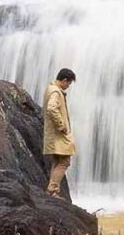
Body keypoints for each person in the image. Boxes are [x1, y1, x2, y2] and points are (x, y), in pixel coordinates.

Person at [43, 68, 76, 197]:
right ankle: (53, 189)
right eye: (68, 83)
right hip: (58, 135)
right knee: (64, 161)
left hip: (52, 135)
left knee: (57, 161)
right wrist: (61, 126)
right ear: (64, 80)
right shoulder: (56, 92)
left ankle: (52, 190)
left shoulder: (50, 89)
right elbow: (52, 109)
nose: (68, 86)